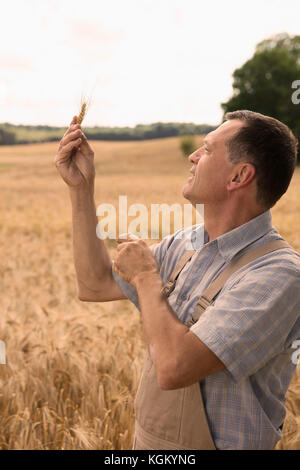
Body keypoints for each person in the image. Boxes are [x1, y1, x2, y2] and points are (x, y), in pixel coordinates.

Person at [55, 110, 300, 450]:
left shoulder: (278, 274)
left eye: (207, 149)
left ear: (239, 176)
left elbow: (174, 366)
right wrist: (81, 188)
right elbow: (94, 284)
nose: (193, 155)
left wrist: (144, 276)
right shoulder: (184, 244)